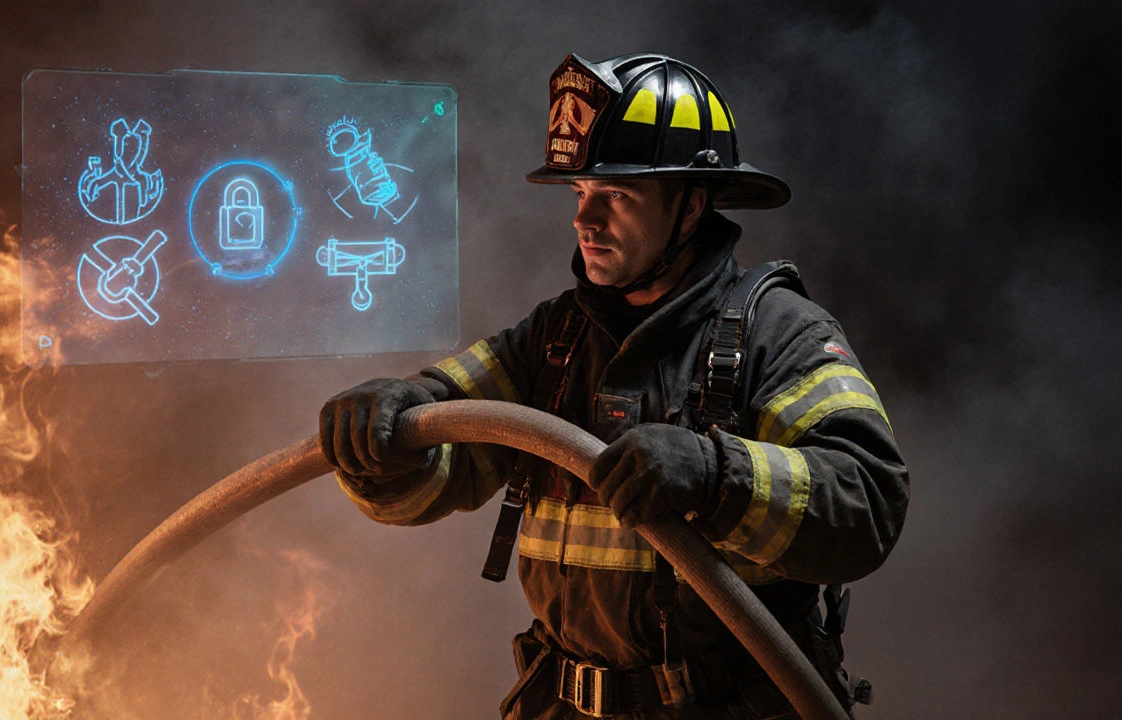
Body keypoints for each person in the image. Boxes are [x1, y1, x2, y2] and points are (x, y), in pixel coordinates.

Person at [319, 53, 909, 719]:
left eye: (617, 196)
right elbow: (443, 446)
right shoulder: (556, 339)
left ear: (692, 205)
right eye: (580, 193)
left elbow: (868, 505)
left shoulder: (780, 335)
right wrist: (381, 437)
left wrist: (720, 475)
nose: (585, 220)